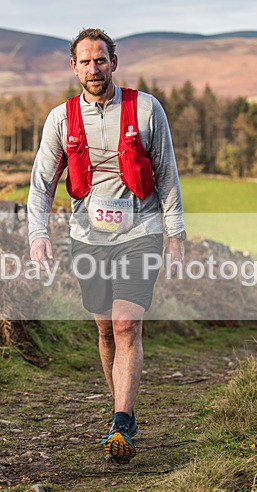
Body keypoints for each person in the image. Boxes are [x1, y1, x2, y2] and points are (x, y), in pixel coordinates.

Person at [27, 28, 185, 464]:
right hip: (87, 238)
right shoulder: (61, 119)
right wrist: (37, 234)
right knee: (103, 330)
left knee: (125, 325)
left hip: (142, 231)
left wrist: (175, 234)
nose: (94, 69)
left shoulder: (146, 109)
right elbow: (42, 184)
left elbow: (168, 174)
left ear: (114, 62)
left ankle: (121, 421)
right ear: (73, 67)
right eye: (86, 62)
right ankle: (122, 413)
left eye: (101, 60)